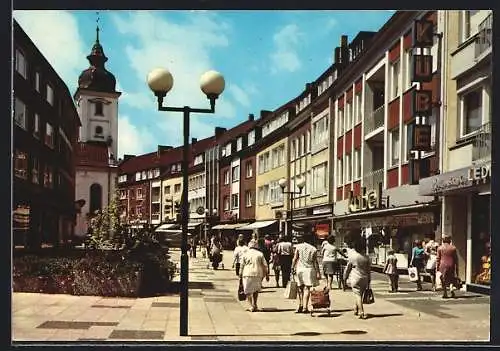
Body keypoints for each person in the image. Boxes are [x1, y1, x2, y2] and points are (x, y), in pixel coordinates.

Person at [292, 234, 321, 313]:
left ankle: (300, 305)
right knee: (307, 289)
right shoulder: (314, 249)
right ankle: (305, 307)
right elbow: (315, 262)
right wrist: (318, 272)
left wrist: (292, 267)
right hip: (309, 270)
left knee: (300, 288)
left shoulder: (298, 247)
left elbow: (295, 258)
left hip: (299, 269)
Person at [343, 238, 371, 319]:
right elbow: (369, 270)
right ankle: (356, 309)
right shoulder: (366, 257)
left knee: (357, 295)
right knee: (360, 294)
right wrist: (369, 280)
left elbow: (348, 269)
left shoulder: (353, 257)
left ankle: (361, 311)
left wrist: (345, 278)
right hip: (365, 278)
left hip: (355, 277)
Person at [239, 240, 269, 312]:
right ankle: (255, 304)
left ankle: (251, 306)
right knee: (256, 290)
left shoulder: (245, 254)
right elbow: (265, 265)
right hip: (257, 273)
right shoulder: (260, 254)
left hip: (247, 273)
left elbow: (242, 265)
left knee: (247, 291)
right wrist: (267, 275)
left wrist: (240, 274)